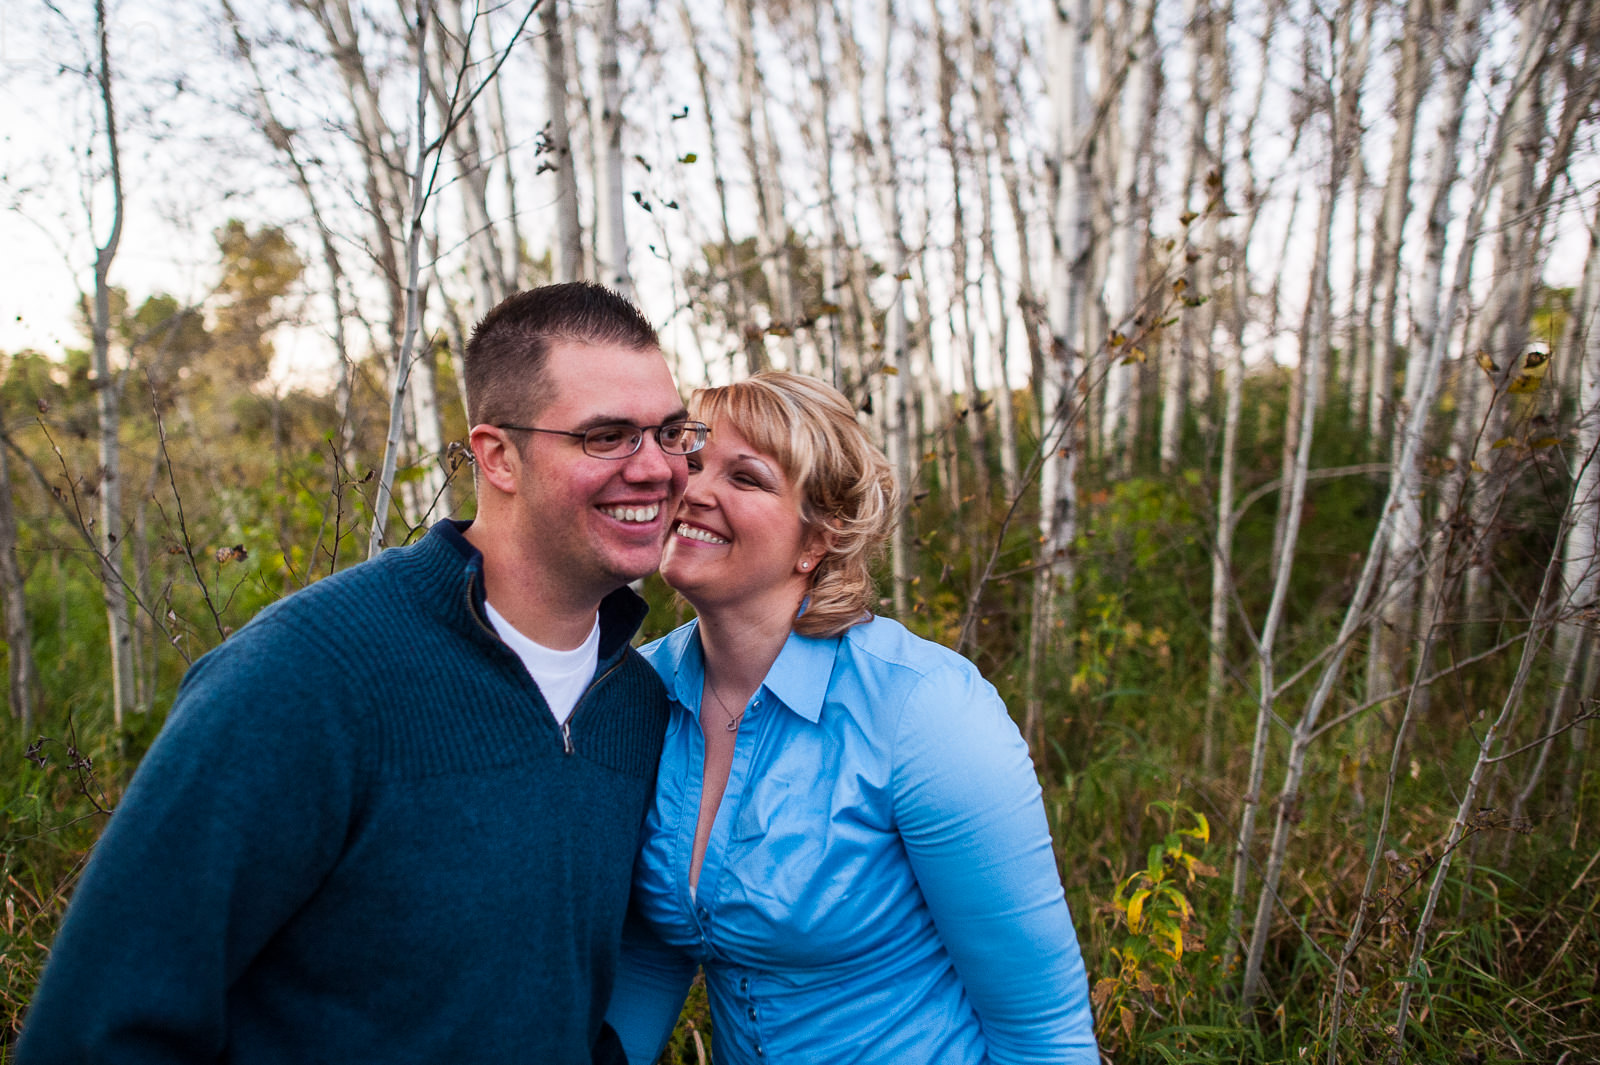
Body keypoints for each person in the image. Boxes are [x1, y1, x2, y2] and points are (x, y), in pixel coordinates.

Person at [18, 282, 705, 1064]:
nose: (656, 468)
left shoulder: (643, 705)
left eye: (672, 432)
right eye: (607, 436)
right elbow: (98, 1024)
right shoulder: (307, 675)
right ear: (498, 456)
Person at [606, 371, 1098, 1064]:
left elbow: (1043, 1033)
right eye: (692, 461)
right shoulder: (640, 690)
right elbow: (656, 952)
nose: (694, 490)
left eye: (745, 478)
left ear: (819, 539)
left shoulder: (924, 712)